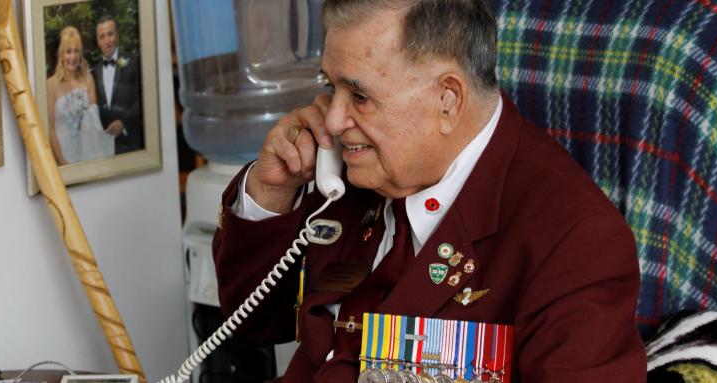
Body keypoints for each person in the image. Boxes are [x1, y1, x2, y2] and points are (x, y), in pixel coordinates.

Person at [212, 1, 647, 382]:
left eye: (360, 95)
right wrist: (273, 191)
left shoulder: (576, 241)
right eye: (331, 87)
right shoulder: (352, 171)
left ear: (448, 100)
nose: (333, 119)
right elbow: (251, 324)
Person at [47, 26, 113, 165]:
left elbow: (95, 122)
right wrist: (61, 161)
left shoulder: (88, 79)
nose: (73, 57)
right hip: (63, 157)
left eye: (76, 51)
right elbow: (50, 127)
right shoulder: (51, 85)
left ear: (81, 54)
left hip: (87, 155)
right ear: (61, 55)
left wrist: (109, 134)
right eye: (68, 52)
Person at [91, 15, 143, 155]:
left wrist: (123, 123)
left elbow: (142, 100)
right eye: (102, 37)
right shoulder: (94, 73)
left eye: (110, 34)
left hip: (132, 144)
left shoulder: (133, 62)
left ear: (117, 35)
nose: (107, 41)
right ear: (98, 41)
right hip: (105, 147)